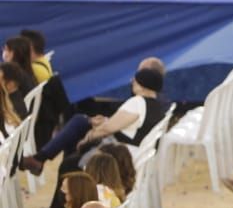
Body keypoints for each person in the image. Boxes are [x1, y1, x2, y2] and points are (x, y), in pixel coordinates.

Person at [20, 63, 168, 178]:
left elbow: (107, 129)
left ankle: (40, 159)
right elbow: (126, 125)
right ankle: (40, 159)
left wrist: (88, 137)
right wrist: (101, 122)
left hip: (120, 153)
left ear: (142, 84)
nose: (132, 82)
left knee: (70, 163)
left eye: (135, 80)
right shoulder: (158, 105)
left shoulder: (138, 102)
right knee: (80, 126)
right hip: (131, 151)